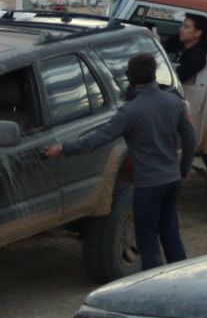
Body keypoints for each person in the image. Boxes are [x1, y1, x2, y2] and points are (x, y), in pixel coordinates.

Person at [47, 51, 196, 270]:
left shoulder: (130, 111)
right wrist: (183, 168)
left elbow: (97, 140)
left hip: (148, 184)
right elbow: (190, 137)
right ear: (154, 73)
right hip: (171, 180)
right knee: (171, 232)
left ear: (131, 77)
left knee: (147, 241)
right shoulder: (173, 102)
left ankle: (152, 288)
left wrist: (63, 148)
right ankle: (180, 279)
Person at [162, 13, 207, 86]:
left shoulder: (197, 58)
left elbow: (173, 79)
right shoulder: (175, 40)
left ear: (197, 33)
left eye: (186, 27)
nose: (181, 29)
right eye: (182, 26)